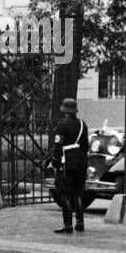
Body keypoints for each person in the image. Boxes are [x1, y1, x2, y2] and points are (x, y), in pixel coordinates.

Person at [49, 97, 89, 234]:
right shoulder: (83, 124)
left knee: (65, 193)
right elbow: (85, 146)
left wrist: (55, 161)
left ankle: (67, 224)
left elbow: (58, 146)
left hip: (67, 162)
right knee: (78, 191)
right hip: (81, 161)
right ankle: (80, 221)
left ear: (65, 111)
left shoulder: (62, 125)